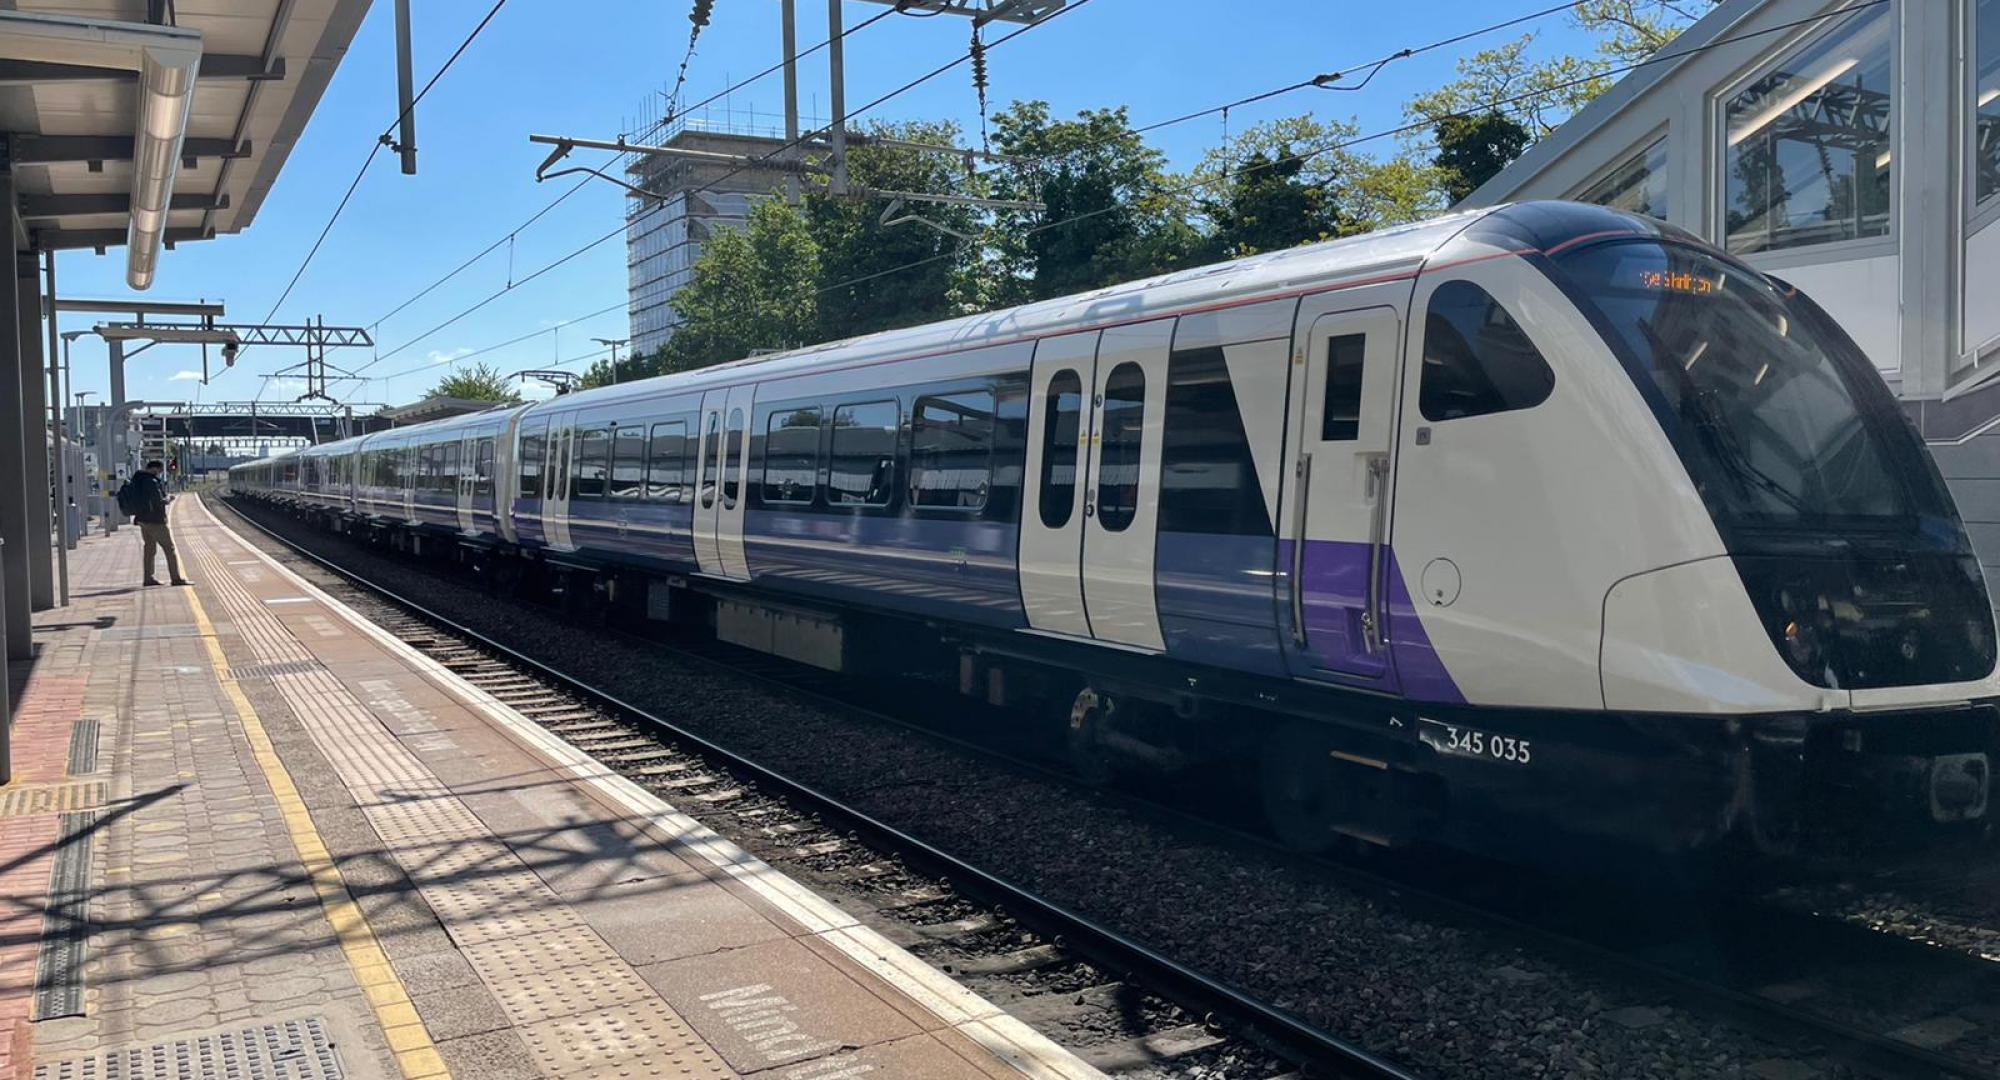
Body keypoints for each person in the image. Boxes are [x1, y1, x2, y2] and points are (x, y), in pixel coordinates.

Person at [127, 460, 188, 587]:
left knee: (149, 549)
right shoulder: (151, 482)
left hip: (142, 520)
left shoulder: (138, 479)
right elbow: (158, 501)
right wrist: (169, 499)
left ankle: (148, 578)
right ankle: (176, 578)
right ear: (154, 469)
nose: (159, 473)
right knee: (169, 548)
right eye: (159, 471)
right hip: (155, 520)